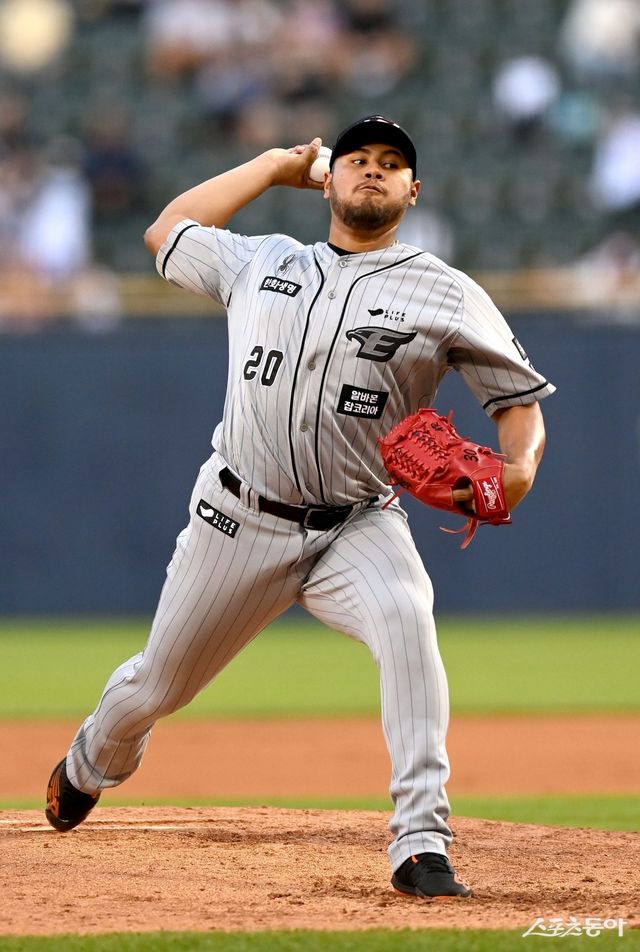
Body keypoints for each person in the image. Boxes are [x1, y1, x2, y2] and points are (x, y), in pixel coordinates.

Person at [45, 115, 555, 899]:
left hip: (358, 522)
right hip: (240, 518)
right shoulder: (264, 261)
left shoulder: (446, 291)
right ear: (329, 180)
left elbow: (518, 404)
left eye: (392, 163)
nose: (373, 170)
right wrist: (271, 167)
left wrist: (516, 470)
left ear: (414, 190)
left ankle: (421, 842)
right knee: (156, 687)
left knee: (407, 621)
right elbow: (166, 230)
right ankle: (91, 760)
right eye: (357, 158)